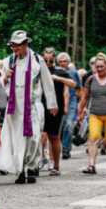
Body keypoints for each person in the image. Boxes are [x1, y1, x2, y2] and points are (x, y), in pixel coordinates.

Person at [0, 30, 57, 184]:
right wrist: (5, 77)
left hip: (33, 105)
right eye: (13, 45)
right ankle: (21, 170)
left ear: (25, 44)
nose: (15, 48)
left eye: (18, 45)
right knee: (18, 140)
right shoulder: (8, 62)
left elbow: (47, 83)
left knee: (34, 137)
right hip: (15, 107)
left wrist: (52, 104)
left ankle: (31, 166)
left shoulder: (37, 60)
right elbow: (0, 87)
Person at [79, 54, 106, 175]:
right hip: (95, 114)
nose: (98, 69)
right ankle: (91, 165)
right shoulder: (90, 79)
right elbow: (85, 97)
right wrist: (80, 113)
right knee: (93, 138)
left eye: (101, 67)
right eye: (96, 66)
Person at [41, 48, 74, 176]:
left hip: (55, 108)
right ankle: (37, 162)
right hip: (40, 106)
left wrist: (59, 78)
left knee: (53, 137)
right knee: (39, 136)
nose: (48, 62)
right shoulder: (39, 70)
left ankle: (56, 165)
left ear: (54, 59)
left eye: (50, 60)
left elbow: (73, 84)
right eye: (45, 60)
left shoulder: (60, 71)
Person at [57, 53, 81, 159]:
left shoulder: (74, 73)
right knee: (60, 127)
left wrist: (81, 106)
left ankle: (66, 149)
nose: (63, 63)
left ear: (68, 62)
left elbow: (79, 89)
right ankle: (63, 144)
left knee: (68, 125)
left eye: (65, 61)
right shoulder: (55, 72)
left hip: (72, 101)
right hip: (58, 102)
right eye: (61, 61)